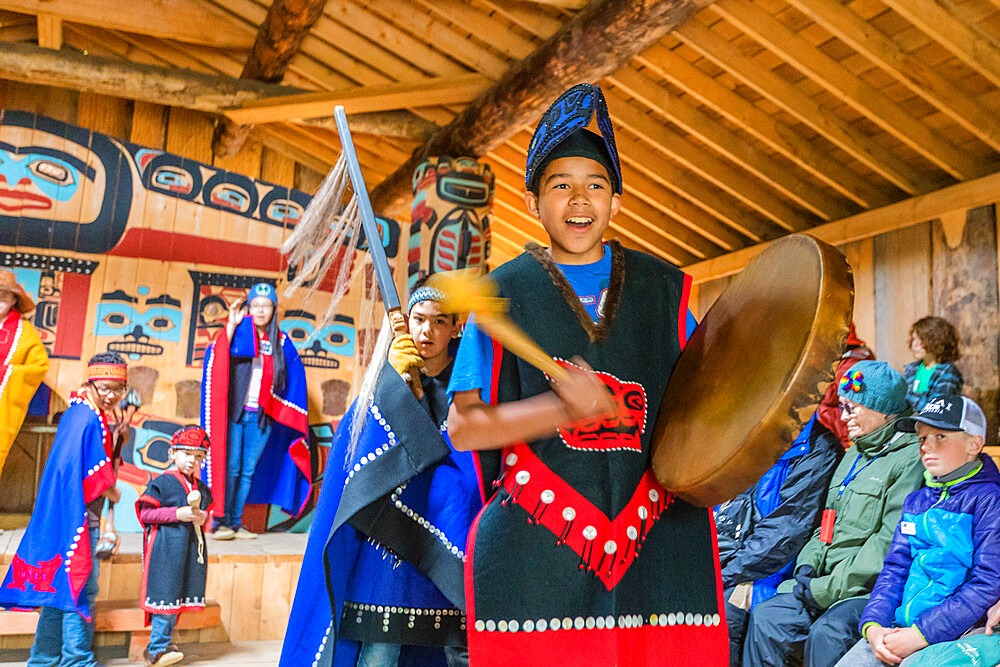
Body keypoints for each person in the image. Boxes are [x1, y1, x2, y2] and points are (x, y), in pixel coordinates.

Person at [446, 83, 727, 665]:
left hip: (657, 540)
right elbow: (464, 427)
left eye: (595, 184)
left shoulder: (666, 291)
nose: (580, 199)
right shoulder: (501, 294)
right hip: (539, 541)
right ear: (532, 202)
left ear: (617, 202)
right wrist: (558, 410)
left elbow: (709, 404)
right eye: (560, 185)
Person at [280, 281, 481, 667]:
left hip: (445, 544)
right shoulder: (386, 381)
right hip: (385, 543)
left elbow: (468, 468)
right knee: (379, 655)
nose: (427, 331)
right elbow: (355, 455)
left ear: (456, 327)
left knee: (455, 651)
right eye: (419, 319)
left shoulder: (468, 389)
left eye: (439, 321)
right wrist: (392, 390)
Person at [742, 360, 925, 667]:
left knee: (827, 634)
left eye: (852, 408)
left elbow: (886, 543)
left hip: (865, 591)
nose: (843, 417)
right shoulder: (855, 453)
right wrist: (808, 565)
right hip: (822, 581)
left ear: (882, 409)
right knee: (768, 616)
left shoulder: (909, 460)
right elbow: (827, 519)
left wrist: (825, 588)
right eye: (841, 406)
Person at [835, 395, 1000, 667]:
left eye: (940, 436)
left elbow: (986, 582)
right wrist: (874, 625)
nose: (926, 447)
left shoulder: (988, 499)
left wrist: (921, 634)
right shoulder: (917, 501)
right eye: (922, 438)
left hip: (958, 631)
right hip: (901, 628)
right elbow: (895, 568)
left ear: (974, 444)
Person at [0, 352, 127, 667]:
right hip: (79, 519)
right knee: (78, 589)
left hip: (76, 515)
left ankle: (43, 659)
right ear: (91, 382)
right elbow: (85, 471)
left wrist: (117, 443)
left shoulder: (86, 412)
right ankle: (77, 661)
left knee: (60, 590)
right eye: (106, 387)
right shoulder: (84, 416)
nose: (112, 395)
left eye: (118, 388)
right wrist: (112, 489)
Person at [717, 411, 844, 665]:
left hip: (770, 572)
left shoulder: (816, 450)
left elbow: (783, 536)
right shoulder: (748, 436)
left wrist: (722, 574)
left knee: (725, 609)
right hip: (735, 557)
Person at [201, 282, 310, 540]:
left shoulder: (280, 341)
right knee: (233, 467)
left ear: (274, 310)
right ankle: (220, 521)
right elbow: (215, 357)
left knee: (248, 470)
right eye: (256, 306)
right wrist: (231, 324)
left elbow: (294, 378)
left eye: (267, 306)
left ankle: (236, 523)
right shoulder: (238, 333)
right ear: (250, 307)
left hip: (261, 416)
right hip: (235, 413)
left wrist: (280, 407)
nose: (261, 311)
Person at [136, 425, 213, 667]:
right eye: (187, 454)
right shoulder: (164, 482)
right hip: (166, 551)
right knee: (166, 596)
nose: (193, 461)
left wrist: (202, 518)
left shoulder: (199, 487)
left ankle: (164, 643)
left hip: (188, 550)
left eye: (199, 457)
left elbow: (206, 515)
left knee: (177, 597)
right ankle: (157, 649)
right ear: (172, 454)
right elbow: (146, 514)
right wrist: (176, 513)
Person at [0, 269, 49, 475]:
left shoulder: (25, 333)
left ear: (13, 300)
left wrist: (7, 373)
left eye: (3, 296)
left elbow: (38, 368)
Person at [816, 324, 874, 449]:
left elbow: (836, 398)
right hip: (845, 429)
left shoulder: (849, 366)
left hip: (845, 433)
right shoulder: (861, 356)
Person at [903, 316, 963, 411]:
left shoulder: (947, 373)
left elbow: (936, 410)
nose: (913, 344)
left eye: (920, 340)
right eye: (913, 339)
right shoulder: (911, 369)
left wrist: (905, 393)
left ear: (936, 341)